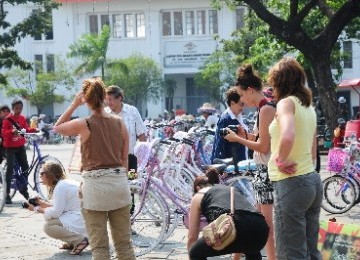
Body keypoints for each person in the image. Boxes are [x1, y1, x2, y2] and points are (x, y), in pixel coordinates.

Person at [54, 78, 135, 260]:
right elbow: (125, 159)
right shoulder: (119, 122)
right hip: (119, 186)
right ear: (104, 98)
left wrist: (75, 104)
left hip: (95, 188)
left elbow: (57, 127)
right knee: (124, 245)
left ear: (86, 99)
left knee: (100, 247)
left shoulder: (85, 124)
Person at [267, 57, 323, 259]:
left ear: (281, 82)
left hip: (291, 183)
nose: (271, 89)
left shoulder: (286, 104)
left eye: (273, 84)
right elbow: (313, 145)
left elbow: (288, 134)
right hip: (311, 181)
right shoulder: (307, 106)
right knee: (310, 251)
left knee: (291, 253)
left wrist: (280, 160)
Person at [224, 64, 276, 260]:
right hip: (263, 171)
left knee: (266, 228)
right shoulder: (264, 108)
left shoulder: (266, 109)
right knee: (261, 225)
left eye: (242, 95)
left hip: (266, 171)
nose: (243, 101)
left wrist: (238, 139)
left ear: (251, 90)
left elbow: (263, 146)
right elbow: (261, 139)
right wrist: (245, 135)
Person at [187, 169, 269, 260]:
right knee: (252, 250)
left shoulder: (199, 194)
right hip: (260, 228)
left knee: (195, 253)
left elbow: (192, 237)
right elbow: (239, 227)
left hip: (238, 226)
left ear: (198, 188)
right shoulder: (230, 189)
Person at [24, 161, 88, 255]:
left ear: (51, 174)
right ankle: (71, 242)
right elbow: (59, 207)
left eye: (42, 173)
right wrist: (41, 203)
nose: (40, 176)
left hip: (80, 218)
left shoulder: (60, 187)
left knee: (48, 227)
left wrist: (35, 208)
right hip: (82, 216)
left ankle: (80, 240)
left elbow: (56, 213)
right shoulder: (62, 184)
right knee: (54, 221)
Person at [2, 99, 38, 204]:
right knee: (10, 169)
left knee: (25, 168)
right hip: (10, 148)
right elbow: (4, 133)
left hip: (20, 146)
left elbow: (25, 129)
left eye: (20, 108)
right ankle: (7, 194)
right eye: (16, 108)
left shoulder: (22, 118)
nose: (19, 110)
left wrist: (34, 130)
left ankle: (23, 189)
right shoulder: (7, 119)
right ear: (12, 109)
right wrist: (12, 131)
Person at [105, 85, 147, 172]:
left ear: (119, 98)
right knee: (115, 184)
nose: (108, 102)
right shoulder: (105, 113)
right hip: (112, 161)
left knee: (132, 183)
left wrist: (143, 157)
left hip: (131, 159)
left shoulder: (132, 111)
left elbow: (141, 134)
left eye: (110, 99)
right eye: (107, 99)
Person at [211, 87, 248, 172]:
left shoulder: (238, 117)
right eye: (241, 104)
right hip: (231, 167)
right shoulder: (226, 119)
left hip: (239, 164)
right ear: (232, 103)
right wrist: (219, 168)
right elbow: (219, 145)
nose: (243, 107)